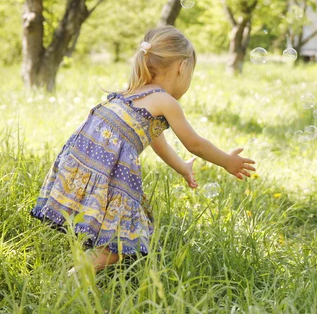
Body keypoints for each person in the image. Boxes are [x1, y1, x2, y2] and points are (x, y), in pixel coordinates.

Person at [29, 26, 256, 276]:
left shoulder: (130, 93)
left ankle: (83, 263)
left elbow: (157, 142)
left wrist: (182, 167)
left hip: (83, 158)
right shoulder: (165, 101)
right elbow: (195, 144)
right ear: (182, 67)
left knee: (107, 231)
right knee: (121, 242)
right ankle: (73, 277)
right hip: (106, 165)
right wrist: (226, 161)